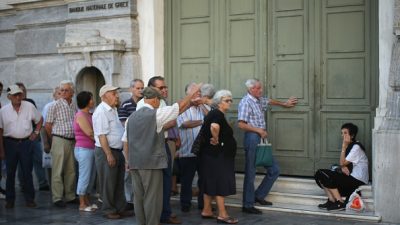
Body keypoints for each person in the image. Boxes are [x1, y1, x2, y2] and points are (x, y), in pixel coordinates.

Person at [125, 84, 201, 225]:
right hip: (151, 163)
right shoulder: (155, 115)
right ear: (154, 100)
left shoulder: (132, 117)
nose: (159, 103)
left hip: (135, 162)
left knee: (139, 197)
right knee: (152, 197)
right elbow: (175, 109)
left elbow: (126, 140)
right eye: (159, 100)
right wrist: (192, 94)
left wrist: (127, 160)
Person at [238, 78, 298, 214]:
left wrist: (285, 104)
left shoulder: (259, 99)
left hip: (260, 139)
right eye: (258, 88)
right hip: (253, 138)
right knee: (251, 172)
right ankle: (247, 205)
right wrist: (258, 130)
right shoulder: (246, 102)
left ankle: (258, 196)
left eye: (261, 88)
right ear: (250, 89)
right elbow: (241, 124)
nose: (261, 90)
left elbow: (269, 101)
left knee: (274, 169)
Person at [137, 76, 181, 224]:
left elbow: (173, 122)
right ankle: (153, 216)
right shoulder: (143, 105)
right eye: (161, 88)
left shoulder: (163, 102)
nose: (165, 89)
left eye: (165, 87)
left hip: (165, 143)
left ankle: (165, 213)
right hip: (152, 147)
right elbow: (156, 125)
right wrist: (163, 123)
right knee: (154, 185)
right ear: (152, 89)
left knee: (167, 181)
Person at [92, 84, 132, 219]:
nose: (117, 96)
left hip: (117, 150)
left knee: (118, 182)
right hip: (106, 152)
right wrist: (108, 154)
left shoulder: (113, 109)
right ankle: (108, 210)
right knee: (108, 183)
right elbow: (101, 135)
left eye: (117, 93)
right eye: (114, 93)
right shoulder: (101, 111)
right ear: (104, 96)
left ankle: (120, 208)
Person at [0, 84, 43, 208]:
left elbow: (40, 120)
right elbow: (0, 131)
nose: (18, 97)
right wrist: (1, 150)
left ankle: (30, 199)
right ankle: (10, 200)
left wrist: (35, 133)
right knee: (10, 173)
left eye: (20, 94)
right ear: (9, 97)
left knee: (27, 172)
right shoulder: (3, 111)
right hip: (9, 143)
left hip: (25, 143)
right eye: (15, 95)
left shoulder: (29, 106)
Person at [199, 90, 238, 224]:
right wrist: (215, 139)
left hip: (212, 155)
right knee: (220, 183)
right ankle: (222, 214)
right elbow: (214, 126)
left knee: (211, 181)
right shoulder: (217, 114)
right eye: (227, 100)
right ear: (219, 102)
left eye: (230, 100)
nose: (230, 103)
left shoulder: (215, 113)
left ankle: (207, 210)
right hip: (217, 156)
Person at [314, 123, 369, 211]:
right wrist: (342, 167)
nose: (343, 135)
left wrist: (343, 147)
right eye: (342, 133)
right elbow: (343, 164)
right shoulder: (350, 146)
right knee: (319, 175)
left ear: (352, 135)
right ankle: (332, 200)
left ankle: (340, 202)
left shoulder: (356, 147)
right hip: (350, 178)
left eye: (345, 133)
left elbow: (342, 163)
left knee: (323, 173)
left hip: (357, 181)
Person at [45, 80, 78, 207]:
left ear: (72, 92)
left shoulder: (74, 105)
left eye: (66, 90)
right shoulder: (55, 105)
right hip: (59, 139)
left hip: (71, 140)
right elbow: (47, 125)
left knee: (71, 170)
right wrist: (53, 140)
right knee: (57, 170)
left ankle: (70, 195)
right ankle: (57, 197)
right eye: (62, 90)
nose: (63, 92)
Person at [177, 83, 208, 212]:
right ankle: (185, 204)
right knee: (186, 180)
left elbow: (211, 118)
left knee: (204, 179)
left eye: (199, 92)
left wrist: (201, 105)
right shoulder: (182, 107)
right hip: (187, 150)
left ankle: (203, 204)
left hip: (203, 151)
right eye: (196, 92)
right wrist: (202, 122)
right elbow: (184, 124)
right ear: (189, 94)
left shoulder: (204, 107)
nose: (199, 94)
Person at [16, 82, 50, 192]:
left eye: (23, 91)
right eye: (19, 91)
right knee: (22, 163)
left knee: (38, 160)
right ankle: (23, 184)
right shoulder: (13, 105)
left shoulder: (30, 102)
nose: (22, 94)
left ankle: (42, 183)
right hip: (20, 138)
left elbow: (37, 119)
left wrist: (36, 133)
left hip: (33, 137)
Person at [118, 78, 144, 211]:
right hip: (129, 142)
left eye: (142, 88)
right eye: (138, 88)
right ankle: (129, 199)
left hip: (143, 144)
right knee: (128, 173)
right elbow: (124, 124)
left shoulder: (146, 104)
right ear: (131, 89)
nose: (140, 90)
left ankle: (139, 199)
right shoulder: (125, 105)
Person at [73, 91, 97, 212]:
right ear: (87, 101)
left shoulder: (89, 114)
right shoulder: (80, 115)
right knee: (84, 176)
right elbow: (89, 132)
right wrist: (101, 141)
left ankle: (87, 201)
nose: (93, 101)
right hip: (83, 149)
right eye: (91, 99)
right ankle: (82, 204)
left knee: (91, 177)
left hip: (91, 149)